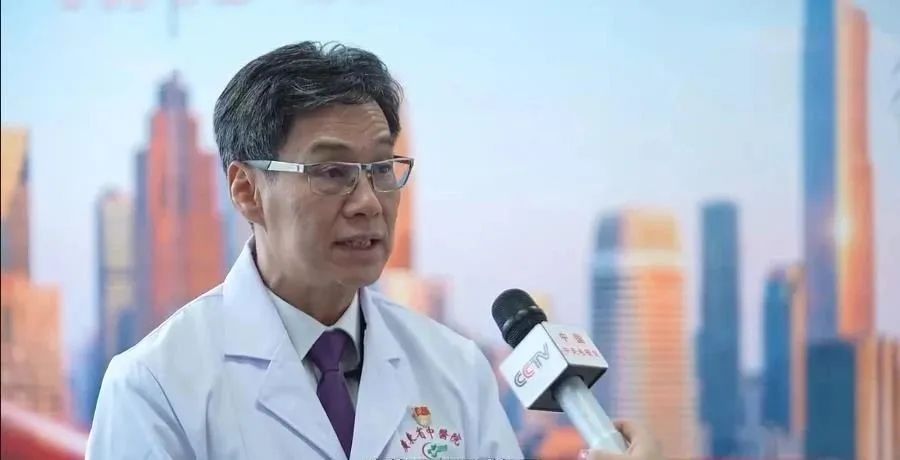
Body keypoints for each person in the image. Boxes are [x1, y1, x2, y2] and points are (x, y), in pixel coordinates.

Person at [87, 41, 663, 460]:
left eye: (382, 168)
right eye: (332, 171)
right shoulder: (154, 385)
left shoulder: (455, 368)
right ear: (246, 190)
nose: (367, 201)